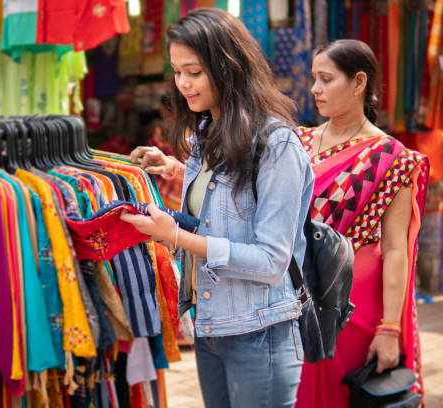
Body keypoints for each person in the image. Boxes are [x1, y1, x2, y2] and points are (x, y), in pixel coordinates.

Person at [120, 8, 314, 408]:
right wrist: (173, 175)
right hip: (212, 328)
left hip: (260, 334)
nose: (183, 83)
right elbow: (216, 215)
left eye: (194, 71)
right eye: (176, 71)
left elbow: (270, 261)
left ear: (227, 66)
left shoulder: (276, 144)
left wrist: (175, 236)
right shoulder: (208, 131)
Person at [294, 39, 429, 407]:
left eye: (325, 79)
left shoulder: (393, 158)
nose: (314, 89)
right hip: (291, 296)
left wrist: (389, 329)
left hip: (351, 305)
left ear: (358, 83)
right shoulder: (298, 143)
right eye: (313, 79)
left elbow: (395, 249)